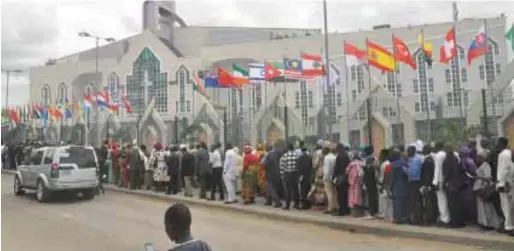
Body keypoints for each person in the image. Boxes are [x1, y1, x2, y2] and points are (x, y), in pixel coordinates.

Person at [473, 150, 501, 230]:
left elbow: (488, 177)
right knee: (481, 207)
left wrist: (479, 177)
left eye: (478, 157)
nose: (476, 158)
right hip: (478, 187)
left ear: (482, 157)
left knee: (487, 207)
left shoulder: (486, 165)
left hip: (483, 187)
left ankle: (489, 224)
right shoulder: (481, 165)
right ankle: (483, 222)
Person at [442, 144, 465, 228]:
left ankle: (454, 223)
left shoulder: (447, 160)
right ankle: (460, 221)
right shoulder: (455, 158)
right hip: (457, 183)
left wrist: (445, 182)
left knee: (452, 204)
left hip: (450, 184)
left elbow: (446, 174)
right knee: (458, 203)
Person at [496, 137, 514, 235]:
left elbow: (503, 170)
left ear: (501, 143)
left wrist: (501, 184)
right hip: (510, 181)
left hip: (505, 183)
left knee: (506, 205)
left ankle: (509, 227)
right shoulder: (509, 153)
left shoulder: (502, 154)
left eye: (497, 143)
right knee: (510, 205)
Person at [432, 141, 451, 226]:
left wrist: (435, 182)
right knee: (447, 199)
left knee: (441, 200)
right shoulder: (445, 154)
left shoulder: (438, 155)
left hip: (440, 181)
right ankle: (448, 218)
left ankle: (444, 219)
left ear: (437, 147)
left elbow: (437, 169)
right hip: (447, 180)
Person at [404, 145, 423, 225]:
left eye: (408, 151)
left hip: (414, 182)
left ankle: (416, 220)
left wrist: (403, 168)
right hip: (414, 182)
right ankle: (415, 218)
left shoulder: (415, 160)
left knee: (414, 202)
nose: (407, 152)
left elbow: (413, 173)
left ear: (412, 151)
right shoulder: (413, 159)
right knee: (414, 201)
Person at [420, 145, 438, 225]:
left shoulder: (427, 161)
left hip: (428, 185)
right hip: (431, 184)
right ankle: (432, 219)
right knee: (432, 202)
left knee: (428, 203)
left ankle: (430, 220)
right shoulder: (432, 160)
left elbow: (427, 175)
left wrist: (426, 185)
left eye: (423, 149)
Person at [280, 142, 300, 210]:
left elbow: (282, 166)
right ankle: (296, 204)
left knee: (287, 190)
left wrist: (282, 175)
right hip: (295, 173)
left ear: (287, 148)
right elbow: (299, 165)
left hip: (287, 173)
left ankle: (287, 205)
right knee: (295, 189)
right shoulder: (296, 155)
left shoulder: (284, 156)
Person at [263, 143, 282, 208]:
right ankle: (269, 201)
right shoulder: (277, 153)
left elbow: (265, 164)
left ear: (267, 148)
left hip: (270, 174)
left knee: (271, 188)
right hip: (277, 173)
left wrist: (263, 163)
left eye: (266, 148)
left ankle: (277, 202)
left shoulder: (269, 155)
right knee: (271, 188)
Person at [333, 143, 350, 216]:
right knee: (345, 194)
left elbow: (336, 168)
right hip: (346, 177)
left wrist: (334, 176)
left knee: (340, 195)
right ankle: (346, 210)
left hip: (340, 177)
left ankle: (341, 211)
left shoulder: (339, 156)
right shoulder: (346, 155)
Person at [346, 151, 364, 217]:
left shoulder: (351, 164)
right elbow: (361, 173)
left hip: (351, 181)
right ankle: (357, 206)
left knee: (351, 194)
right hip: (358, 181)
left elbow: (346, 171)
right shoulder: (361, 163)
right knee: (358, 194)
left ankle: (352, 207)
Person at [377, 148, 392, 221]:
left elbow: (385, 175)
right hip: (385, 183)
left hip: (383, 183)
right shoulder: (388, 163)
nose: (380, 156)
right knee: (386, 200)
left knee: (383, 200)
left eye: (381, 154)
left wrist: (382, 186)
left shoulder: (384, 164)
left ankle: (383, 214)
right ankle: (385, 214)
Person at [297, 145, 313, 210]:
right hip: (308, 176)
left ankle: (304, 205)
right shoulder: (309, 157)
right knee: (307, 190)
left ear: (301, 151)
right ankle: (308, 204)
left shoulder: (300, 158)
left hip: (302, 176)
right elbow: (311, 167)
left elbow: (299, 168)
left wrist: (299, 176)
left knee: (303, 191)